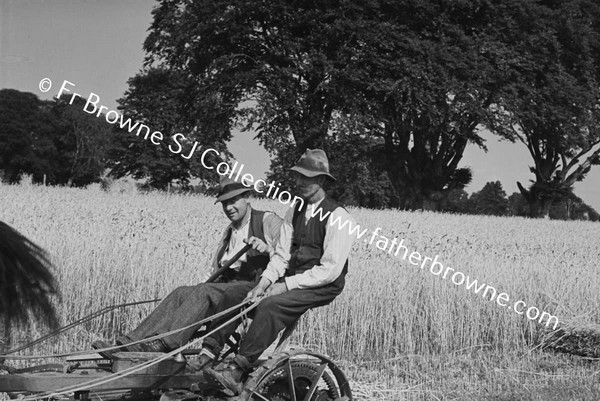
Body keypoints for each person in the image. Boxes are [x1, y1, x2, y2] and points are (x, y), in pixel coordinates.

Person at [199, 149, 356, 395]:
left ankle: (237, 368)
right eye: (298, 177)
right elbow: (282, 255)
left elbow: (330, 270)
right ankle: (208, 353)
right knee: (235, 293)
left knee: (271, 306)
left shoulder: (339, 217)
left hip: (322, 285)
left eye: (307, 177)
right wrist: (262, 284)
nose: (300, 183)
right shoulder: (295, 210)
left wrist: (284, 285)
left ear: (322, 180)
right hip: (292, 277)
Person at [91, 176, 283, 363]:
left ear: (247, 197)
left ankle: (168, 342)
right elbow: (215, 270)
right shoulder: (229, 232)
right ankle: (132, 342)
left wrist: (268, 249)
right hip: (225, 289)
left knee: (203, 291)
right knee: (182, 292)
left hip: (255, 290)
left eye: (233, 201)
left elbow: (288, 256)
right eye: (225, 203)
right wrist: (197, 287)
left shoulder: (268, 221)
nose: (229, 208)